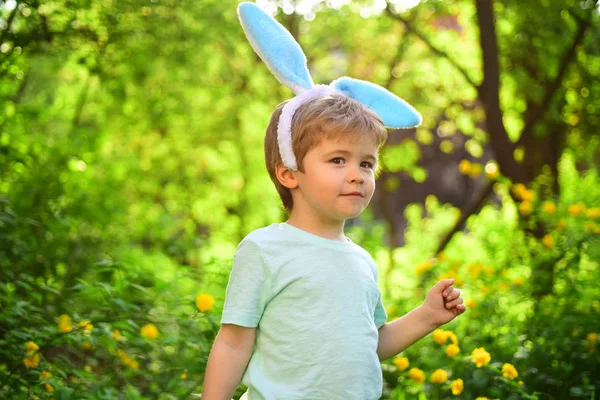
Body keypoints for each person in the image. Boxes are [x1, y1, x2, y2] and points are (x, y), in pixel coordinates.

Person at [201, 3, 466, 399]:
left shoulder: (362, 261)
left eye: (366, 162)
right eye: (338, 160)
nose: (357, 173)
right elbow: (234, 342)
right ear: (289, 171)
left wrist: (427, 316)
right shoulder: (264, 250)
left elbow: (368, 346)